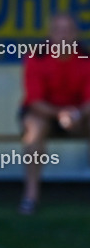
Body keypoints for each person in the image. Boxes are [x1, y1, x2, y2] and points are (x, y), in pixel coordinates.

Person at [19, 12, 90, 215]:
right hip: (44, 115)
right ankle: (30, 196)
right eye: (58, 30)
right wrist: (61, 114)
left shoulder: (86, 57)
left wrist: (76, 115)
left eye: (68, 30)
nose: (63, 35)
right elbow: (34, 101)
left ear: (76, 34)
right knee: (34, 127)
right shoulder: (37, 56)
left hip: (79, 117)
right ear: (50, 33)